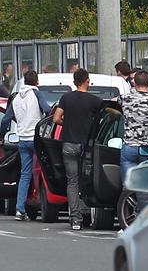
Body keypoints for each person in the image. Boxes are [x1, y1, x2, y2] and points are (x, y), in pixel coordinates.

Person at [52, 68, 104, 230]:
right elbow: (103, 120)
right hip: (87, 146)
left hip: (68, 145)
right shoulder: (95, 101)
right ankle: (88, 212)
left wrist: (66, 123)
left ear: (75, 82)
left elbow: (56, 118)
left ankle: (75, 218)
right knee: (88, 180)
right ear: (87, 81)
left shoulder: (66, 98)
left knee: (72, 181)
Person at [9, 70, 51, 221]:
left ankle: (20, 209)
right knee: (44, 171)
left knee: (25, 174)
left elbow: (7, 118)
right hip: (36, 139)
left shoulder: (16, 98)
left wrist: (1, 136)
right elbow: (47, 110)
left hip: (22, 139)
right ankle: (44, 201)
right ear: (36, 82)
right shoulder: (36, 93)